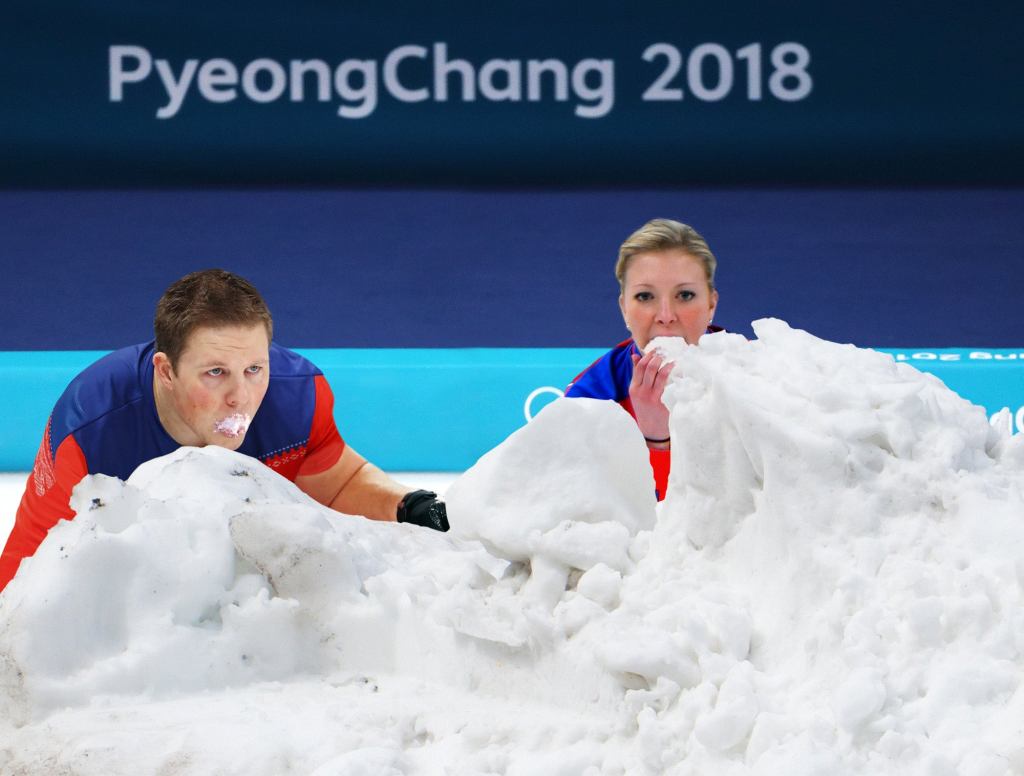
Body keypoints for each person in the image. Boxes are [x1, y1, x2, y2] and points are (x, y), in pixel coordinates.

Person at [0, 269, 447, 593]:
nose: (241, 396)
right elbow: (27, 569)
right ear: (166, 371)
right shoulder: (90, 430)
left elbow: (338, 483)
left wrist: (411, 506)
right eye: (215, 372)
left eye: (255, 368)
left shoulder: (299, 398)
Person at [565, 219, 722, 500]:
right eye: (645, 296)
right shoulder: (590, 398)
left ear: (711, 304)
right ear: (624, 307)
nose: (665, 315)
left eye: (685, 295)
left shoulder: (763, 375)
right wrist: (655, 441)